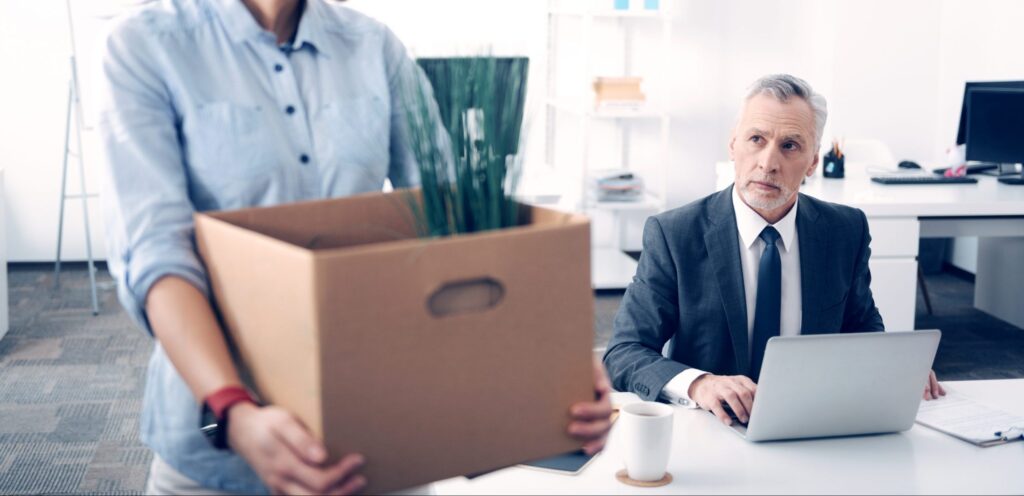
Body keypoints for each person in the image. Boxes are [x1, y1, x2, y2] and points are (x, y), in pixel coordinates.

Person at [96, 0, 613, 494]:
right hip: (221, 439)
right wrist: (235, 409)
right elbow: (156, 253)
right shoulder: (147, 45)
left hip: (377, 433)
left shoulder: (372, 44)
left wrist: (550, 358)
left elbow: (455, 222)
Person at [602, 74, 945, 427]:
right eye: (756, 139)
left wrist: (896, 367)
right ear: (733, 144)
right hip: (713, 429)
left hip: (813, 423)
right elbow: (624, 353)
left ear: (813, 162)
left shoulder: (845, 231)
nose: (768, 163)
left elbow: (860, 326)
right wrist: (699, 384)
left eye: (790, 146)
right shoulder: (675, 234)